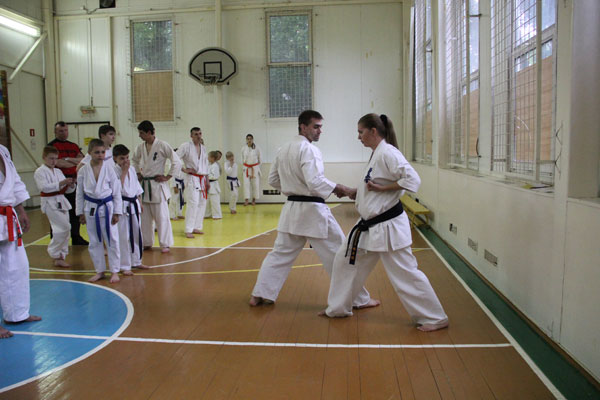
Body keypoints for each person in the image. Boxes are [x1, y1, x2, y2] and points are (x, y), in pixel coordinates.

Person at [322, 113, 448, 332]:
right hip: (369, 227)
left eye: (361, 132)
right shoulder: (377, 154)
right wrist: (356, 192)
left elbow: (412, 180)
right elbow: (374, 185)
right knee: (344, 261)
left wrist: (384, 188)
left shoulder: (388, 152)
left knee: (405, 273)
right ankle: (338, 308)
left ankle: (434, 317)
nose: (358, 137)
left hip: (388, 227)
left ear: (373, 131)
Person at [249, 110, 379, 309]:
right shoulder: (309, 150)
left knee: (279, 254)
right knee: (340, 255)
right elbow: (315, 182)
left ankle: (260, 293)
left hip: (291, 210)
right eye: (316, 126)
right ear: (303, 127)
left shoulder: (283, 149)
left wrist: (294, 188)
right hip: (312, 211)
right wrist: (341, 188)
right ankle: (358, 299)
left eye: (321, 127)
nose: (320, 131)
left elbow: (273, 180)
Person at [0, 144, 42, 338]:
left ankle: (17, 314)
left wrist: (21, 209)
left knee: (17, 267)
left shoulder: (3, 150)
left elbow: (15, 181)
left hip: (7, 216)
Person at [76, 139, 122, 283]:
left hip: (107, 207)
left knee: (112, 239)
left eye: (103, 152)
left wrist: (117, 212)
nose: (100, 155)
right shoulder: (83, 170)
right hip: (90, 207)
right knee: (94, 241)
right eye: (97, 152)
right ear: (89, 153)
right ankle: (99, 270)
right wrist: (80, 212)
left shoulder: (110, 168)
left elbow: (116, 192)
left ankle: (114, 271)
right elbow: (79, 193)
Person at [131, 120, 181, 253]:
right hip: (144, 185)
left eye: (141, 133)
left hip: (157, 185)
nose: (139, 135)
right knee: (144, 218)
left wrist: (168, 176)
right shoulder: (140, 147)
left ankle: (165, 243)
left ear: (149, 132)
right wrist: (137, 172)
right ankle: (146, 242)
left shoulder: (162, 145)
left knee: (162, 217)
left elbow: (176, 161)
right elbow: (134, 160)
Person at [34, 146, 75, 267]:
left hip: (61, 201)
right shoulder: (40, 172)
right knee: (63, 227)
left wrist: (71, 185)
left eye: (56, 159)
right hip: (49, 202)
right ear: (44, 157)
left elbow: (67, 190)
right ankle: (54, 252)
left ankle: (61, 256)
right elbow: (43, 188)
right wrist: (62, 183)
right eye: (51, 158)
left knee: (66, 230)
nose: (54, 161)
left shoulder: (58, 171)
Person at [48, 121, 87, 245]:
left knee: (74, 211)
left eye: (65, 130)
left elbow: (83, 161)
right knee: (58, 212)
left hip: (74, 181)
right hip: (59, 184)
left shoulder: (73, 146)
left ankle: (76, 236)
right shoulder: (51, 146)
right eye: (60, 131)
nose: (64, 133)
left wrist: (68, 159)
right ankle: (55, 238)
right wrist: (73, 162)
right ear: (55, 132)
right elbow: (58, 163)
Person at [113, 144, 148, 273]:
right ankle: (124, 265)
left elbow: (137, 187)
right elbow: (117, 189)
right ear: (115, 158)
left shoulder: (132, 169)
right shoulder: (113, 171)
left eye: (127, 157)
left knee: (137, 234)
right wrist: (123, 172)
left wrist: (140, 202)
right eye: (122, 158)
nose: (125, 161)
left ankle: (136, 261)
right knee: (124, 236)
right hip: (121, 205)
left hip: (134, 204)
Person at [176, 127, 209, 238]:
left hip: (202, 178)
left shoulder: (203, 148)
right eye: (196, 134)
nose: (198, 136)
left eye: (200, 133)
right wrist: (184, 169)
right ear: (191, 136)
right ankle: (188, 229)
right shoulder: (186, 146)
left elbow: (205, 165)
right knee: (193, 203)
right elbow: (175, 158)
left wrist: (207, 180)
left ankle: (196, 226)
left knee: (202, 203)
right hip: (192, 178)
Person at [241, 134, 261, 206]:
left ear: (252, 140)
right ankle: (246, 200)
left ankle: (254, 200)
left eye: (250, 139)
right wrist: (244, 167)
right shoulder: (243, 148)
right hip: (246, 168)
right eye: (248, 139)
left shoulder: (257, 148)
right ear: (246, 140)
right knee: (246, 184)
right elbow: (242, 159)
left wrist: (257, 167)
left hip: (254, 168)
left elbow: (260, 159)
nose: (249, 140)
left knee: (255, 184)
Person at [204, 151, 222, 219]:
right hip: (208, 184)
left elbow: (215, 176)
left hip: (213, 185)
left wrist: (206, 176)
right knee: (207, 201)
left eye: (209, 157)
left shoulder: (215, 166)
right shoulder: (209, 165)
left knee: (215, 201)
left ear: (213, 158)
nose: (208, 158)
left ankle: (217, 215)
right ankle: (207, 214)